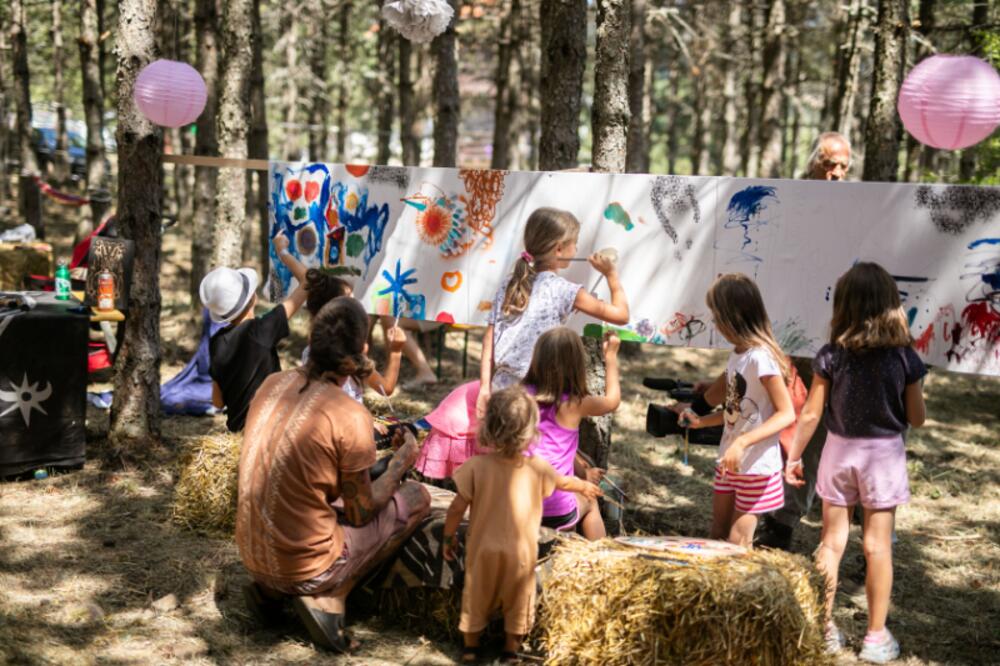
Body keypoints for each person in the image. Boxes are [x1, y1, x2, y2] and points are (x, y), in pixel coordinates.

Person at [683, 131, 855, 550]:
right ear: (812, 163)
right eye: (828, 164)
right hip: (785, 337)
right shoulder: (789, 201)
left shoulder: (856, 208)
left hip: (835, 342)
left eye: (842, 168)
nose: (834, 174)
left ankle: (809, 517)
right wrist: (699, 413)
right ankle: (780, 515)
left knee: (828, 427)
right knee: (782, 413)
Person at [235, 296, 431, 653]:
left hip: (251, 556)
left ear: (312, 341)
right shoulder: (349, 414)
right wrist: (403, 460)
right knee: (418, 498)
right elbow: (360, 510)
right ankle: (329, 597)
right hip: (308, 566)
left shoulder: (271, 384)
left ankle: (271, 591)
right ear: (363, 349)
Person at [411, 207, 630, 480]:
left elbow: (490, 337)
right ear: (560, 249)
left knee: (502, 464)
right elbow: (621, 315)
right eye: (575, 242)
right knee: (521, 469)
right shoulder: (563, 290)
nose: (578, 247)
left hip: (502, 390)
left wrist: (485, 387)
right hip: (534, 396)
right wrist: (611, 275)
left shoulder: (509, 283)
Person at [784, 263, 925, 663]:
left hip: (838, 453)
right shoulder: (905, 359)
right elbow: (916, 418)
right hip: (883, 457)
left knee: (830, 543)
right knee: (877, 547)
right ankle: (876, 638)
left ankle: (822, 628)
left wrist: (794, 457)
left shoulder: (830, 357)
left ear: (843, 305)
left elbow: (811, 415)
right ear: (891, 306)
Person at [441, 386, 602, 663]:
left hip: (482, 552)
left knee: (476, 597)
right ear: (531, 430)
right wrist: (585, 484)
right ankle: (510, 651)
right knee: (518, 602)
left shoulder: (477, 465)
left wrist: (448, 536)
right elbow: (565, 483)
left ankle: (470, 648)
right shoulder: (538, 467)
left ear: (489, 427)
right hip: (521, 554)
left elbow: (457, 506)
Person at [682, 274, 795, 547]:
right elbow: (737, 412)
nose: (715, 322)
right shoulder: (738, 355)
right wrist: (702, 422)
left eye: (717, 315)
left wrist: (743, 442)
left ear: (735, 315)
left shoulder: (761, 358)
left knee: (736, 542)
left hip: (756, 466)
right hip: (731, 460)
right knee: (718, 533)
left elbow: (786, 413)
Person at [522, 327, 620, 540]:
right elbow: (612, 401)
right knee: (590, 501)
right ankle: (601, 558)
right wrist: (610, 357)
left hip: (518, 503)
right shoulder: (575, 404)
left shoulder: (519, 396)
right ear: (576, 365)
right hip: (555, 512)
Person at [202, 233, 306, 432]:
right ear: (253, 299)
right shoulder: (263, 329)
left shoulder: (215, 342)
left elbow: (217, 402)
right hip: (271, 432)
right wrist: (282, 252)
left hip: (239, 434)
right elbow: (309, 282)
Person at [301, 269, 406, 405]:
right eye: (351, 300)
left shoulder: (309, 352)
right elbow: (386, 389)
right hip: (350, 422)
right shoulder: (352, 357)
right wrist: (396, 351)